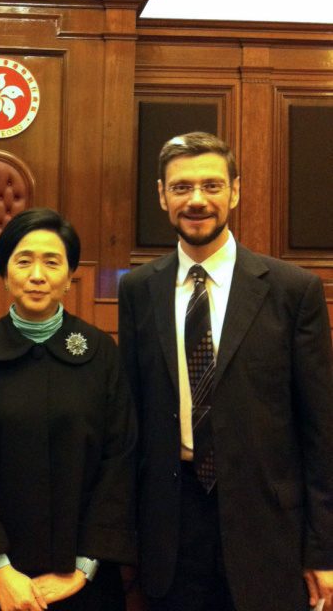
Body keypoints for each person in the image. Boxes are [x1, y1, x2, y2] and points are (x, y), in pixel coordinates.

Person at [118, 131, 333, 611]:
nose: (197, 200)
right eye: (182, 187)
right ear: (162, 195)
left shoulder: (293, 290)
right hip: (170, 530)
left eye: (212, 185)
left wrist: (323, 549)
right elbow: (131, 419)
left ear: (235, 191)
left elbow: (321, 430)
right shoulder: (138, 290)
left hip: (268, 529)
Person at [0, 207, 136, 611]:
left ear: (70, 274)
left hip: (85, 582)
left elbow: (121, 460)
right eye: (23, 261)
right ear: (4, 272)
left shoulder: (101, 353)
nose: (37, 275)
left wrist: (83, 567)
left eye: (52, 262)